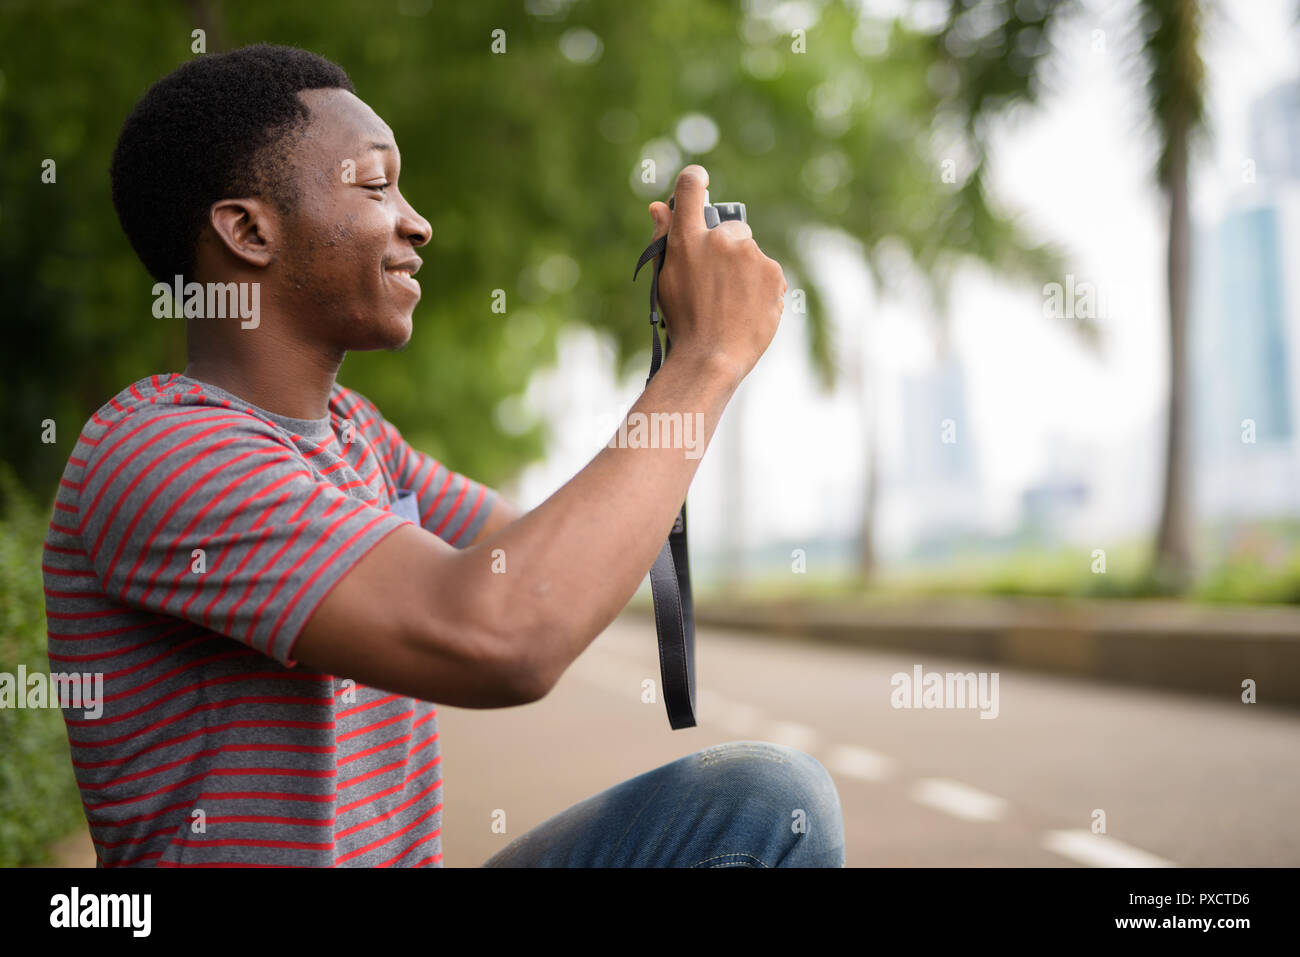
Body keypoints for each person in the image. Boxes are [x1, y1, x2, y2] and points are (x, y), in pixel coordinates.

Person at [42, 43, 844, 868]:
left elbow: (548, 561)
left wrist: (684, 342)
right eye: (376, 184)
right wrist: (704, 362)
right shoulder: (160, 449)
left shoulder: (357, 436)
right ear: (249, 230)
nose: (417, 221)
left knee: (761, 802)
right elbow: (509, 633)